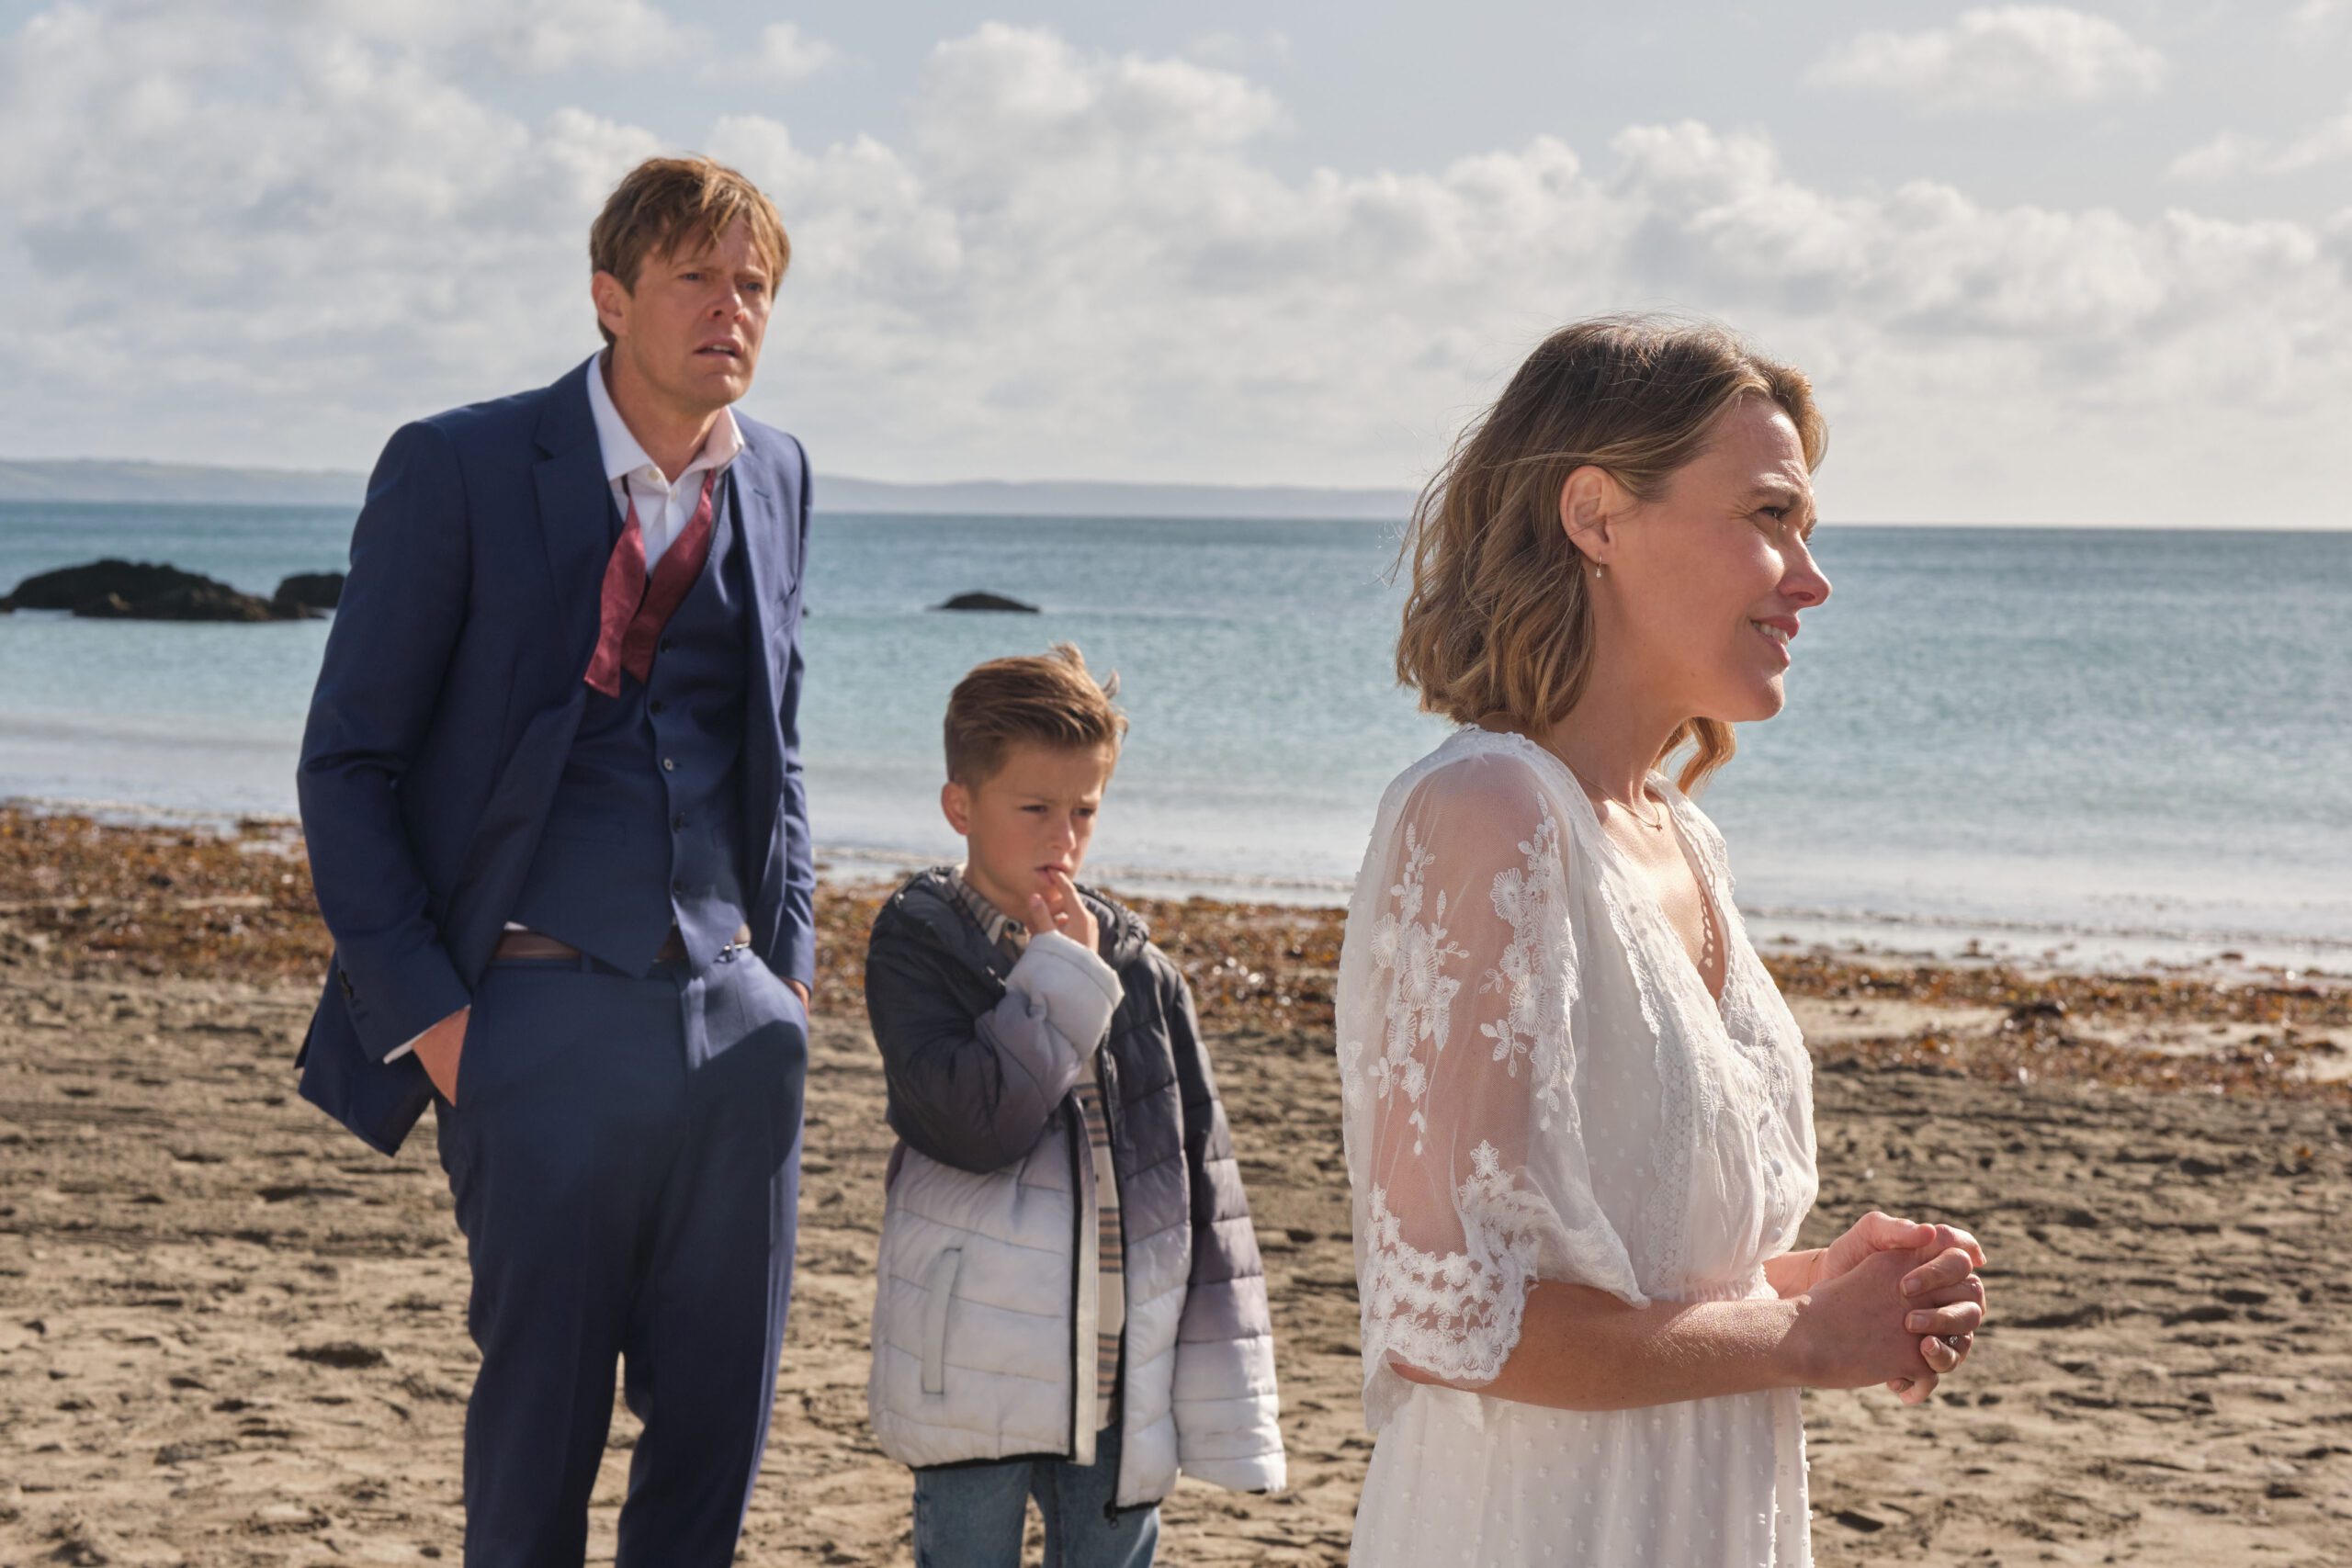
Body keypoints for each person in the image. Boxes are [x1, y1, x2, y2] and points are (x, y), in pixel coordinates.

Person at [1337, 316, 1989, 1566]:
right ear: (1595, 513)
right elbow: (1458, 1321)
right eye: (1768, 516)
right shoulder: (1485, 812)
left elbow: (1639, 1272)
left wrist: (1827, 1291)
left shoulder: (1685, 839)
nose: (1810, 576)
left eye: (1807, 528)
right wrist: (1806, 1340)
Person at [293, 154, 815, 1564]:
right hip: (529, 1017)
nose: (732, 307)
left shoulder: (777, 473)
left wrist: (788, 985)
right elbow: (347, 763)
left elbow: (779, 743)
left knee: (715, 1439)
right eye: (696, 277)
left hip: (734, 1023)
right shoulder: (457, 464)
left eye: (753, 282)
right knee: (540, 1436)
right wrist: (442, 1025)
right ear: (609, 296)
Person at [862, 645, 1286, 1568]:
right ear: (960, 807)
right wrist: (1059, 975)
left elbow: (1197, 1178)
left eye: (1084, 811)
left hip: (1118, 1370)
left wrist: (1223, 1381)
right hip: (968, 1364)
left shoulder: (1139, 964)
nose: (1063, 837)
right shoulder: (916, 945)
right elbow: (976, 1124)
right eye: (1035, 809)